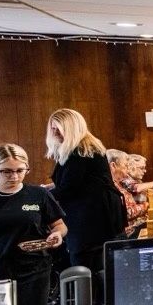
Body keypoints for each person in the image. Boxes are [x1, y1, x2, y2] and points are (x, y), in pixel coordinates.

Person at [0, 144, 67, 305]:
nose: (14, 176)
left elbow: (59, 225)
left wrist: (57, 235)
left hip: (35, 270)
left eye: (20, 170)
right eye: (6, 171)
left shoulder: (38, 194)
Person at [45, 108, 125, 273]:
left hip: (91, 219)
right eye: (52, 128)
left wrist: (41, 196)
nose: (54, 132)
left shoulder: (79, 151)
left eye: (58, 128)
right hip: (97, 214)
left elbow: (69, 188)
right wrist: (50, 189)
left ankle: (88, 299)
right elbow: (78, 183)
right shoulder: (86, 147)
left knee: (85, 267)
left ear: (70, 127)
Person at [106, 149, 149, 237]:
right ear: (113, 166)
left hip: (133, 229)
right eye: (125, 166)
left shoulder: (118, 183)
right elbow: (128, 213)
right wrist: (148, 204)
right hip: (129, 234)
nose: (127, 173)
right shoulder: (112, 187)